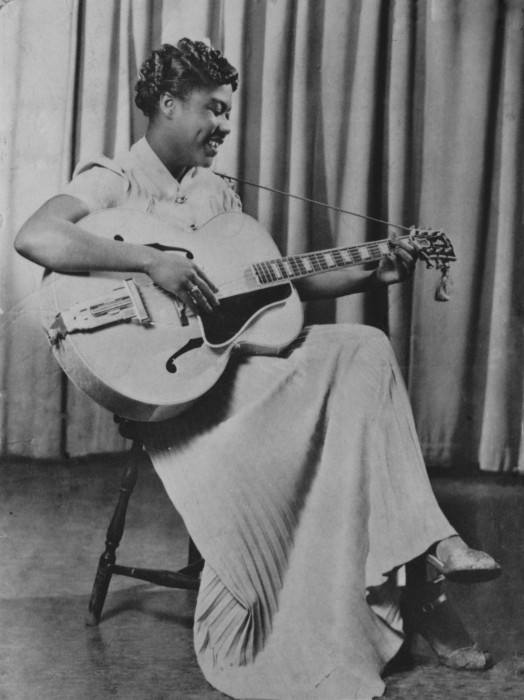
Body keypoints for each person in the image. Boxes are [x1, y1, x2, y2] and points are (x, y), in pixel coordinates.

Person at [15, 39, 501, 700]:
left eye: (228, 111)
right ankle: (423, 592)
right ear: (168, 104)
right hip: (177, 387)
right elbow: (36, 236)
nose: (224, 124)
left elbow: (271, 287)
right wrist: (151, 262)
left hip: (236, 365)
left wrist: (379, 266)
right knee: (336, 394)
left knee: (363, 349)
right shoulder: (114, 178)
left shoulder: (216, 193)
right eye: (212, 109)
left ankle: (426, 550)